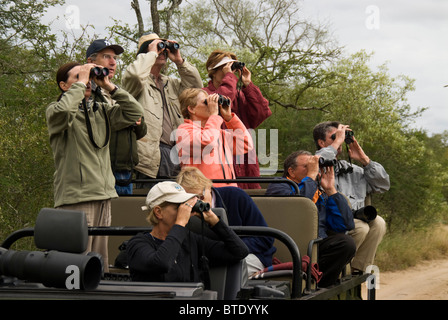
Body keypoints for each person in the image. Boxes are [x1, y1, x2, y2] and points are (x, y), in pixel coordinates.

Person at [45, 62, 144, 272]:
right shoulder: (55, 111)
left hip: (103, 194)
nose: (87, 81)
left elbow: (135, 112)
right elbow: (63, 112)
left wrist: (108, 86)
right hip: (77, 197)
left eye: (89, 77)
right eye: (78, 77)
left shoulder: (101, 110)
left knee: (98, 264)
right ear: (64, 85)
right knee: (75, 264)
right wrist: (81, 82)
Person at [126, 181, 249, 283]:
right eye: (179, 207)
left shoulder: (190, 240)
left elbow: (239, 251)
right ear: (158, 212)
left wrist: (214, 220)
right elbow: (162, 263)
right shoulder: (137, 244)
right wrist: (180, 223)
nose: (185, 211)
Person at [122, 33, 203, 188]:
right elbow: (136, 76)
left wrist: (179, 61)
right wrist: (152, 53)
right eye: (158, 47)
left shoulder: (171, 83)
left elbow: (196, 89)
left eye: (164, 49)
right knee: (152, 203)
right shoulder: (137, 82)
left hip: (176, 153)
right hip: (151, 155)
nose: (162, 52)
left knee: (175, 204)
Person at [266, 151, 356, 287]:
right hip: (291, 242)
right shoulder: (279, 186)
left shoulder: (318, 190)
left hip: (317, 243)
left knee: (346, 244)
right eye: (307, 166)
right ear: (291, 171)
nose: (314, 170)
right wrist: (311, 177)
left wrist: (331, 190)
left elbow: (345, 224)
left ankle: (318, 284)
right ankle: (313, 284)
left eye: (314, 166)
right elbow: (298, 207)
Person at [313, 121, 389, 274]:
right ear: (321, 143)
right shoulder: (313, 165)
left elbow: (383, 185)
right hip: (329, 226)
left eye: (341, 137)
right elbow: (317, 160)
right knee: (360, 227)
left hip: (352, 221)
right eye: (334, 137)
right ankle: (340, 268)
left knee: (379, 223)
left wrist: (363, 158)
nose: (339, 140)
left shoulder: (352, 170)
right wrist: (336, 144)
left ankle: (357, 269)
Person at [176, 166, 276, 276]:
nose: (197, 203)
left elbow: (266, 238)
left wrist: (228, 248)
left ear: (209, 186)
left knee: (233, 270)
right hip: (209, 257)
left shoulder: (236, 196)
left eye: (200, 197)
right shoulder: (183, 208)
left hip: (251, 254)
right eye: (191, 200)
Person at [86, 39, 147, 195]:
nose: (113, 62)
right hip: (98, 168)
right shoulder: (85, 92)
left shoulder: (118, 91)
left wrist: (137, 123)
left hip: (124, 169)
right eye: (106, 57)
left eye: (115, 58)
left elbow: (142, 131)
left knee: (124, 218)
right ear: (90, 61)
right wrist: (125, 119)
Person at [205, 50, 272, 189]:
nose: (231, 72)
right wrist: (230, 77)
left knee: (249, 197)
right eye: (226, 67)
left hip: (245, 157)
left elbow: (261, 113)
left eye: (233, 68)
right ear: (213, 71)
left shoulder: (240, 96)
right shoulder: (205, 94)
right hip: (220, 156)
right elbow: (221, 99)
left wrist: (248, 85)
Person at [175, 88, 253, 187]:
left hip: (228, 191)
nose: (213, 105)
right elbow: (207, 142)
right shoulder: (184, 131)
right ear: (191, 109)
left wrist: (229, 118)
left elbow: (246, 144)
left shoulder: (218, 133)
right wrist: (214, 116)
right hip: (203, 193)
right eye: (206, 102)